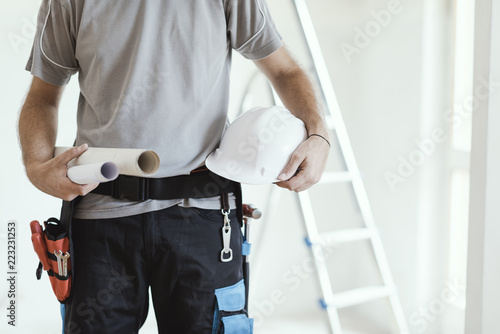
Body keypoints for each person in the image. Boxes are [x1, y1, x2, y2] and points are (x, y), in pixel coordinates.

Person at [18, 0, 330, 333]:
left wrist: (319, 133)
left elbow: (284, 70)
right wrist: (36, 165)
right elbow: (43, 95)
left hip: (204, 216)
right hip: (101, 217)